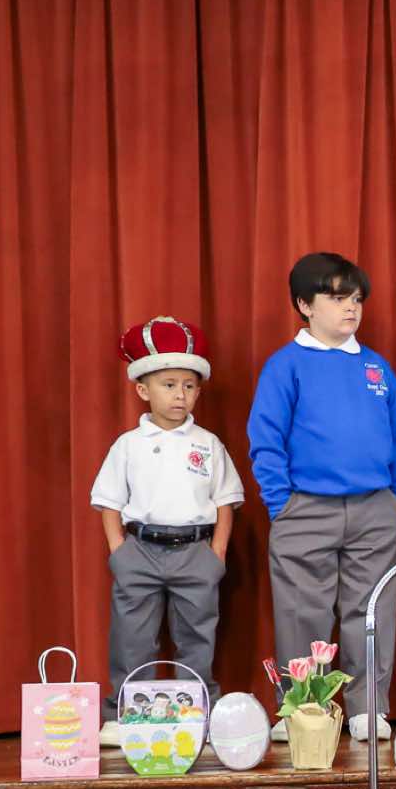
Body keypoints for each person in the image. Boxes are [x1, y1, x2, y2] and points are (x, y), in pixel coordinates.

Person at [248, 251, 396, 741]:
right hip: (305, 507)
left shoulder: (376, 366)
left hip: (375, 507)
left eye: (356, 299)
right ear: (305, 305)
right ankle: (304, 709)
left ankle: (368, 708)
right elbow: (266, 439)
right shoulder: (285, 366)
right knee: (302, 613)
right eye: (338, 298)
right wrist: (281, 503)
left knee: (372, 610)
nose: (351, 308)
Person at [90, 317, 244, 745]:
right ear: (143, 390)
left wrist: (217, 552)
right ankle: (124, 713)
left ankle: (197, 713)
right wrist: (119, 550)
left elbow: (226, 500)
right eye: (169, 385)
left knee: (197, 636)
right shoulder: (128, 444)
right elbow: (108, 501)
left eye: (189, 386)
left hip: (195, 550)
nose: (180, 395)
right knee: (132, 636)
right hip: (140, 548)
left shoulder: (207, 443)